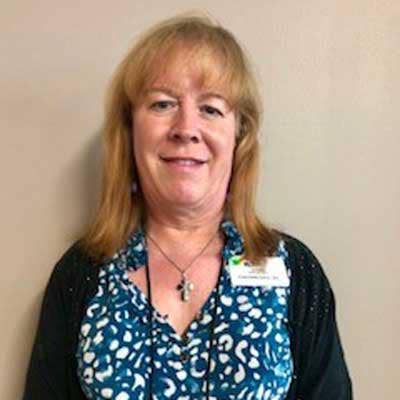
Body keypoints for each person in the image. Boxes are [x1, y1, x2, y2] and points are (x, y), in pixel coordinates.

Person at [23, 13, 352, 400]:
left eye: (210, 109)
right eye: (162, 104)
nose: (185, 128)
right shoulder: (81, 274)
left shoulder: (295, 272)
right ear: (130, 131)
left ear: (239, 136)